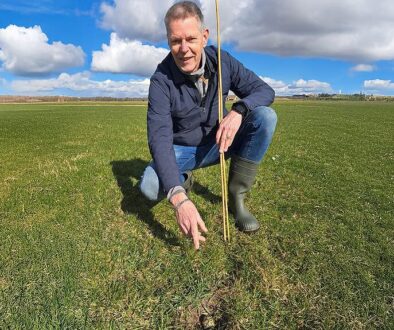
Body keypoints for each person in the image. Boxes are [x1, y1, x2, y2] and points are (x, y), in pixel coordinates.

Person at [140, 1, 277, 250]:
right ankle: (183, 180)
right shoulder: (160, 80)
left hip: (219, 142)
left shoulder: (222, 60)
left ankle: (237, 200)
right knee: (150, 188)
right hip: (182, 149)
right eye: (175, 41)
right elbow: (159, 138)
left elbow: (264, 91)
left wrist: (238, 111)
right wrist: (179, 199)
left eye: (191, 39)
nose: (183, 49)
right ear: (168, 41)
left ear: (204, 37)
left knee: (265, 117)